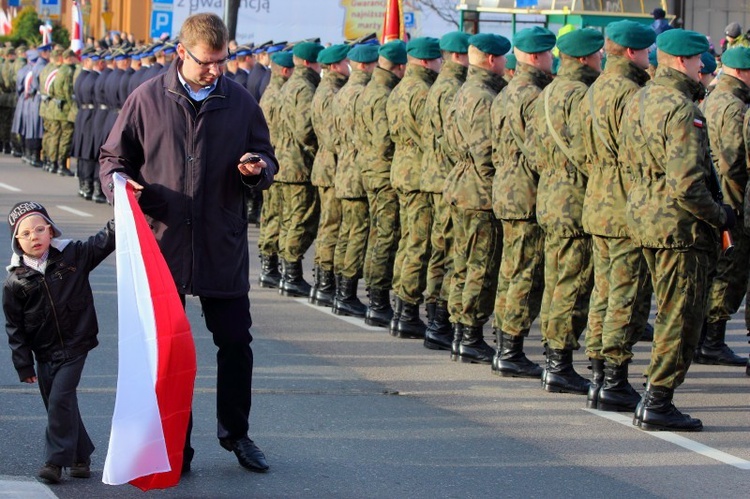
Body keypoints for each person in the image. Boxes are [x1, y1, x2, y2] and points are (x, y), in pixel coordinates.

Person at [99, 12, 277, 472]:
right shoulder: (146, 99)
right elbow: (113, 157)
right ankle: (175, 444)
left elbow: (266, 156)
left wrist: (257, 169)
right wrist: (120, 182)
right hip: (165, 244)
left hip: (222, 240)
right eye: (206, 62)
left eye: (222, 60)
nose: (215, 70)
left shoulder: (240, 102)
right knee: (169, 351)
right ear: (182, 53)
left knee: (236, 342)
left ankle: (236, 434)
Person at [620, 28, 734, 432]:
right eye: (699, 60)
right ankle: (657, 399)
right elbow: (687, 183)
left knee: (664, 307)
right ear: (685, 61)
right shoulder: (684, 109)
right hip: (678, 226)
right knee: (678, 314)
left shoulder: (639, 98)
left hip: (644, 217)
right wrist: (720, 215)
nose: (703, 67)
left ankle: (653, 395)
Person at [3, 201, 116, 483]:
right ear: (17, 241)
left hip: (76, 344)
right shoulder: (14, 281)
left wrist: (126, 210)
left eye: (40, 229)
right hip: (44, 352)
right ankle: (80, 456)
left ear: (51, 231)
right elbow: (15, 327)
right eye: (26, 233)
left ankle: (55, 462)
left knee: (60, 399)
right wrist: (23, 365)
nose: (34, 237)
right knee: (58, 403)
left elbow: (104, 241)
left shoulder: (73, 255)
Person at [578, 20, 656, 412]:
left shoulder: (591, 90)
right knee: (626, 296)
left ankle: (597, 373)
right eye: (645, 51)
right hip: (626, 203)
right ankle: (614, 378)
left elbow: (578, 146)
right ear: (631, 52)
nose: (648, 57)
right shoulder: (632, 93)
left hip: (597, 199)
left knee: (604, 292)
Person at [528, 28, 604, 394]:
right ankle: (560, 363)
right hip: (576, 198)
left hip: (550, 195)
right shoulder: (580, 95)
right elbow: (591, 149)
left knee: (555, 281)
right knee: (573, 284)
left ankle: (551, 357)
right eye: (598, 55)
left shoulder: (548, 92)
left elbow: (531, 148)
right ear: (586, 58)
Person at [491, 26, 556, 377]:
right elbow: (538, 151)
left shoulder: (506, 91)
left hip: (507, 189)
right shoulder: (531, 95)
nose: (551, 60)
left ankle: (504, 342)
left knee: (511, 269)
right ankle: (511, 348)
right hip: (527, 192)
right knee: (526, 274)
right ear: (535, 57)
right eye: (548, 54)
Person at [442, 33, 510, 363]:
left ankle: (460, 330)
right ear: (491, 60)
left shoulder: (463, 90)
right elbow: (485, 151)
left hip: (461, 185)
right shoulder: (483, 96)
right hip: (478, 191)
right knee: (480, 266)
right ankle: (469, 333)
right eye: (502, 58)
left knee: (463, 262)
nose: (505, 63)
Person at [697, 46, 750, 367]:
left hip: (715, 196)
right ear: (743, 72)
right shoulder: (733, 107)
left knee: (718, 269)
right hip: (732, 198)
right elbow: (732, 162)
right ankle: (712, 340)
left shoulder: (711, 99)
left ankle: (706, 336)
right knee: (730, 273)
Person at [386, 37, 442, 338]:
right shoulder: (422, 91)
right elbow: (428, 136)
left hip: (403, 170)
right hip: (419, 172)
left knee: (409, 240)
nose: (439, 65)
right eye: (436, 60)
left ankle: (401, 307)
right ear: (426, 61)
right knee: (419, 244)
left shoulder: (400, 88)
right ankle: (407, 309)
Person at [420, 31, 470, 351]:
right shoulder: (453, 88)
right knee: (450, 253)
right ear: (457, 56)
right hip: (449, 178)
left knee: (441, 250)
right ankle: (440, 321)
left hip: (436, 177)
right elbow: (455, 139)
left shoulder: (440, 85)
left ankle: (436, 317)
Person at [358, 41, 407, 327]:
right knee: (385, 236)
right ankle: (378, 302)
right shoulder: (384, 93)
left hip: (370, 170)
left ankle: (376, 298)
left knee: (378, 234)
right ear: (400, 66)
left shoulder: (371, 88)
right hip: (383, 172)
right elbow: (384, 139)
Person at [275, 41, 325, 297]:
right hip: (298, 164)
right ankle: (291, 273)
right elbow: (305, 129)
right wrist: (317, 149)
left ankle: (287, 272)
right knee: (301, 219)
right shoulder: (305, 87)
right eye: (317, 63)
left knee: (290, 218)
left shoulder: (290, 84)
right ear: (308, 63)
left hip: (286, 161)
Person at [308, 44, 350, 308]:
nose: (349, 66)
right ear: (335, 66)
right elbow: (334, 136)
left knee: (328, 224)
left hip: (326, 163)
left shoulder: (324, 90)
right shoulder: (332, 92)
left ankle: (324, 283)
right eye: (345, 62)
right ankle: (325, 284)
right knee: (332, 225)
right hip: (333, 164)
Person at [257, 50, 294, 289]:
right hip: (284, 160)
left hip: (272, 158)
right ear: (284, 70)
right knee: (287, 216)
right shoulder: (281, 94)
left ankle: (268, 266)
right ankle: (276, 268)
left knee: (271, 215)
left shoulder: (270, 92)